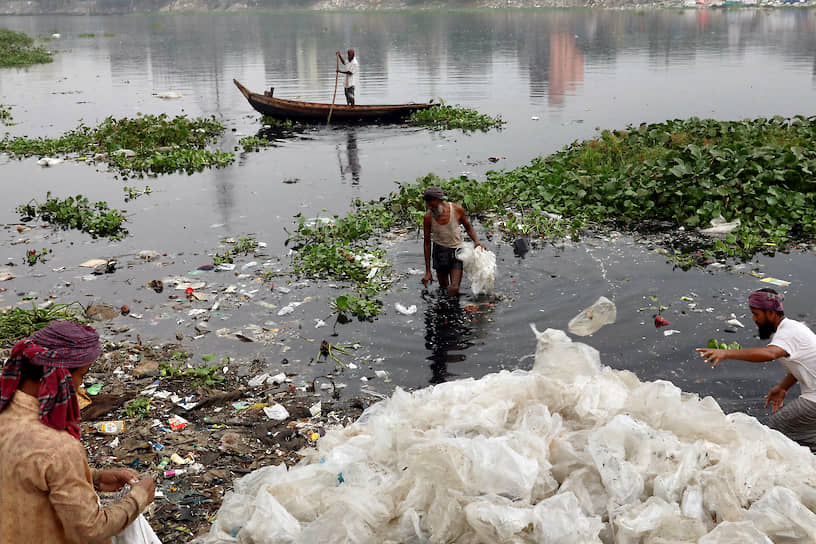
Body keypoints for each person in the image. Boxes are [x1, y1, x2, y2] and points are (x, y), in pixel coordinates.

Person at [0, 321, 156, 543]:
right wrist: (138, 497)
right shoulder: (58, 447)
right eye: (81, 375)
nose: (80, 387)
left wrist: (94, 478)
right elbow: (90, 529)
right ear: (59, 377)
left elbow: (23, 472)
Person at [696, 288, 816, 451]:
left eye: (756, 314)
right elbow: (803, 363)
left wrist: (726, 353)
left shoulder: (788, 333)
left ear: (770, 313)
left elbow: (769, 353)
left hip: (813, 399)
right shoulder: (793, 329)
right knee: (800, 437)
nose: (754, 319)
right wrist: (782, 387)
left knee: (775, 432)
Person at [421, 187, 485, 296]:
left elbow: (468, 227)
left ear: (440, 201)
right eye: (428, 204)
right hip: (439, 253)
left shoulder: (456, 210)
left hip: (457, 252)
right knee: (444, 288)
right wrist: (428, 271)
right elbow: (427, 243)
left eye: (432, 204)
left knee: (454, 288)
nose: (429, 207)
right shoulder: (428, 217)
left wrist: (476, 242)